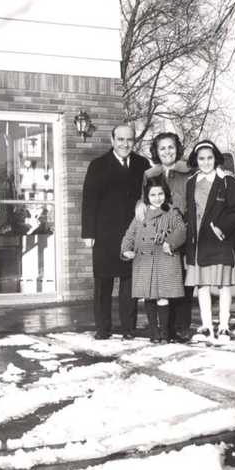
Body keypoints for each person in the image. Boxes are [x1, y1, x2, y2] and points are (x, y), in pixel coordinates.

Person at [82, 124, 149, 339]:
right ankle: (103, 328)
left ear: (134, 141)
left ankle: (128, 328)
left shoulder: (142, 164)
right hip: (104, 234)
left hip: (132, 233)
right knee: (103, 282)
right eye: (120, 139)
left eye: (129, 140)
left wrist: (143, 203)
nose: (125, 144)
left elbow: (151, 192)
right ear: (112, 141)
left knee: (129, 282)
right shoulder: (98, 165)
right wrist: (88, 233)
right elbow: (89, 201)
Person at [184, 139, 235, 343]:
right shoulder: (191, 182)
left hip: (219, 240)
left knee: (222, 285)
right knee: (202, 285)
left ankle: (223, 327)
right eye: (201, 158)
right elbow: (189, 213)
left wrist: (222, 227)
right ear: (196, 160)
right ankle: (205, 326)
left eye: (209, 158)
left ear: (216, 159)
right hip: (198, 243)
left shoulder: (228, 181)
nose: (206, 162)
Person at [137, 132, 192, 341]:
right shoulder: (150, 175)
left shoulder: (188, 172)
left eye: (171, 147)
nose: (167, 151)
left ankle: (182, 326)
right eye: (162, 148)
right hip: (157, 233)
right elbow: (143, 200)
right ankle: (164, 328)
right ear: (156, 152)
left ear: (177, 149)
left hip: (182, 229)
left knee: (182, 281)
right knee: (162, 281)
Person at [121, 176, 186, 342]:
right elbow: (130, 234)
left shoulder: (171, 212)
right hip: (144, 261)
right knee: (148, 297)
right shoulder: (140, 215)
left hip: (164, 260)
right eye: (153, 195)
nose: (157, 198)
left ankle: (164, 332)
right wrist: (126, 250)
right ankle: (153, 332)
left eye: (160, 194)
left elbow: (181, 230)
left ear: (166, 194)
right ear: (146, 197)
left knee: (163, 297)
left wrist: (170, 243)